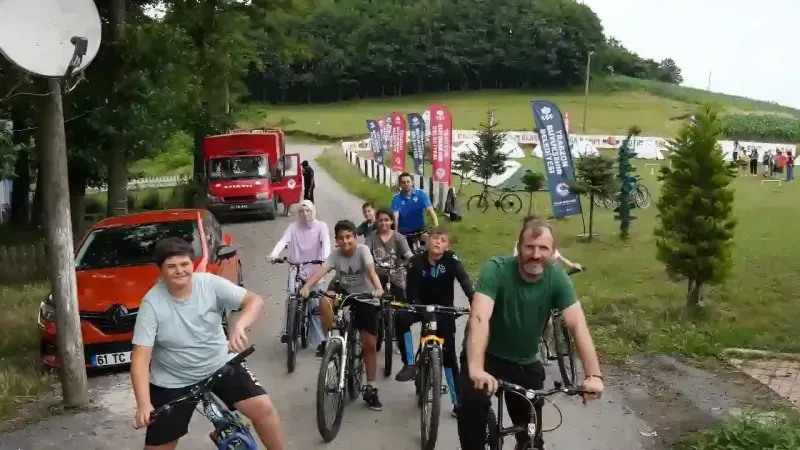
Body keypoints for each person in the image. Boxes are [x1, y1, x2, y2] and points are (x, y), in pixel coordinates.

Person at [457, 219, 604, 450]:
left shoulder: (558, 279)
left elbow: (577, 324)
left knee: (532, 440)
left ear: (553, 252)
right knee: (471, 420)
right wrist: (475, 368)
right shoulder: (496, 270)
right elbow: (479, 318)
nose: (536, 255)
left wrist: (593, 375)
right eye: (530, 247)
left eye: (543, 248)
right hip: (485, 356)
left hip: (524, 362)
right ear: (519, 247)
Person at [131, 238, 285, 449]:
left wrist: (239, 326)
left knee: (263, 408)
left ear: (192, 263)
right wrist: (143, 403)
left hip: (220, 363)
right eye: (171, 266)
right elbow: (140, 358)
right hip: (174, 380)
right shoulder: (151, 305)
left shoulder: (209, 283)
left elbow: (254, 300)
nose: (180, 271)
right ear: (161, 270)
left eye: (184, 264)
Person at [299, 220, 385, 410]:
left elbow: (371, 270)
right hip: (345, 293)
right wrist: (307, 286)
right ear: (336, 240)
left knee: (369, 345)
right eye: (341, 238)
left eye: (349, 237)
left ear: (355, 237)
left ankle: (371, 387)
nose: (345, 241)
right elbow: (321, 271)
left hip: (366, 296)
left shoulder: (362, 250)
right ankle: (329, 341)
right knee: (324, 301)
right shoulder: (335, 255)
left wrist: (378, 288)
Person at [395, 227, 474, 418]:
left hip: (444, 310)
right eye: (435, 238)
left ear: (448, 246)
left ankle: (457, 402)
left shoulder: (452, 261)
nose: (438, 242)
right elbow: (411, 292)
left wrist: (474, 301)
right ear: (427, 240)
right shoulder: (416, 261)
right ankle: (410, 364)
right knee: (401, 317)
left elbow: (465, 281)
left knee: (449, 357)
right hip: (420, 306)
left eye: (443, 240)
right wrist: (418, 308)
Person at [267, 200, 330, 357]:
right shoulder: (293, 227)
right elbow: (283, 241)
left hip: (315, 270)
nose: (304, 214)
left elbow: (326, 245)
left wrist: (325, 259)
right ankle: (288, 330)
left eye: (307, 211)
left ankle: (322, 341)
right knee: (291, 299)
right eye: (301, 211)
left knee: (316, 307)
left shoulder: (321, 227)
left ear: (313, 212)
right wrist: (274, 254)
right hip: (297, 269)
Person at [364, 207, 413, 302]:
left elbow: (408, 254)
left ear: (392, 221)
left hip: (396, 278)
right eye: (380, 220)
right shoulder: (371, 238)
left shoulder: (399, 238)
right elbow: (365, 253)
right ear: (376, 222)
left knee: (402, 302)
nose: (383, 223)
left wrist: (413, 261)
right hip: (377, 279)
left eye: (386, 220)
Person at [391, 172, 439, 249]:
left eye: (408, 181)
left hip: (420, 231)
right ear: (400, 184)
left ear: (412, 182)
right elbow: (395, 217)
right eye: (403, 182)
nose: (406, 184)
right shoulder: (396, 198)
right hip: (404, 233)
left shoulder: (421, 194)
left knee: (431, 244)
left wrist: (436, 225)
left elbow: (430, 211)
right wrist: (396, 234)